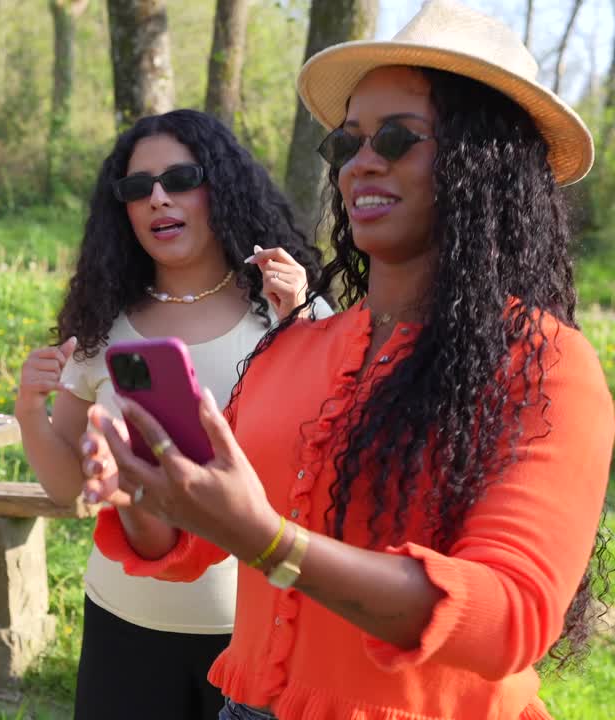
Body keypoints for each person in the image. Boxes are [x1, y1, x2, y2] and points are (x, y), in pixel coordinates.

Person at [79, 2, 615, 719]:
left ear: (485, 162)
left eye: (398, 137)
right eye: (347, 143)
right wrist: (148, 491)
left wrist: (270, 543)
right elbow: (192, 539)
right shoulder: (295, 349)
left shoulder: (546, 368)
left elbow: (509, 614)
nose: (363, 160)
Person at [15, 108, 327, 719]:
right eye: (138, 188)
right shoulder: (103, 324)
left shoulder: (288, 309)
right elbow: (67, 487)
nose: (158, 198)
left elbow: (328, 461)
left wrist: (302, 325)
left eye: (180, 179)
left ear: (222, 187)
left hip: (259, 637)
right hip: (125, 625)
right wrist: (30, 410)